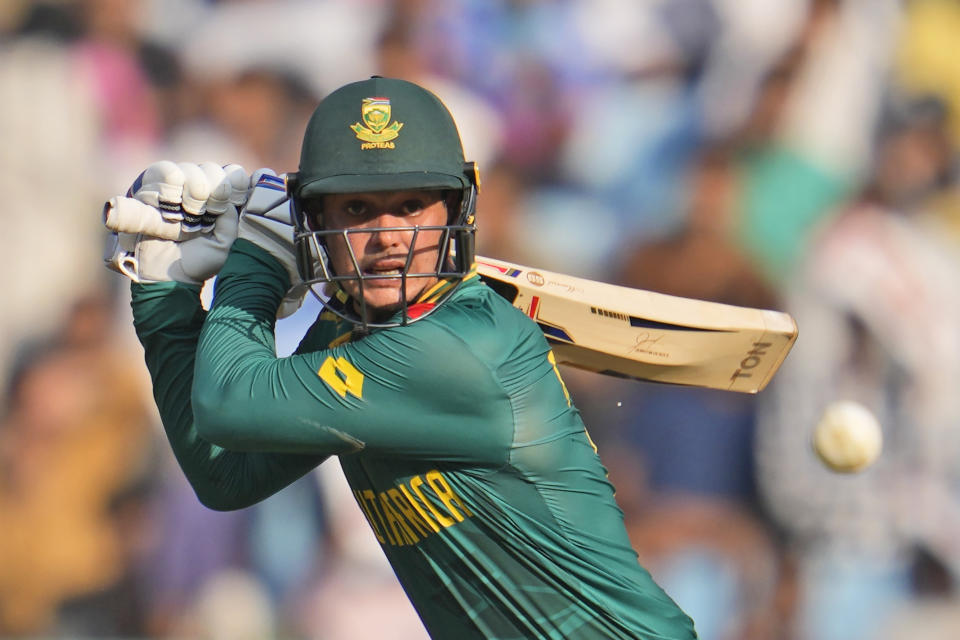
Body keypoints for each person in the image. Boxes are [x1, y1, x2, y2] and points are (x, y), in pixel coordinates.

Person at [102, 76, 697, 639]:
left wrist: (255, 264)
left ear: (456, 212)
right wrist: (165, 295)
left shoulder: (459, 348)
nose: (388, 236)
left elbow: (229, 402)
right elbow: (226, 473)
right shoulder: (358, 334)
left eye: (411, 205)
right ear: (315, 223)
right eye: (357, 209)